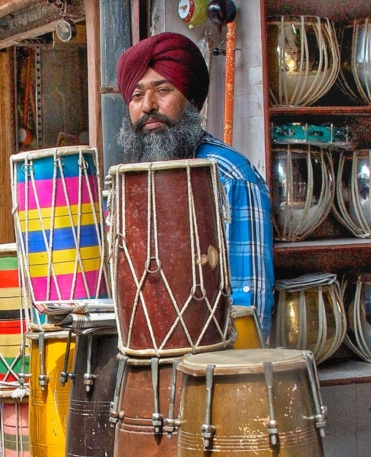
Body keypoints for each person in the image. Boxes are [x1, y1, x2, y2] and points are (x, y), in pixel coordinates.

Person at [116, 32, 275, 337]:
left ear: (190, 99)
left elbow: (249, 308)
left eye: (162, 90)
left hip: (213, 368)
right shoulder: (130, 184)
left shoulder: (230, 176)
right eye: (136, 96)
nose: (148, 105)